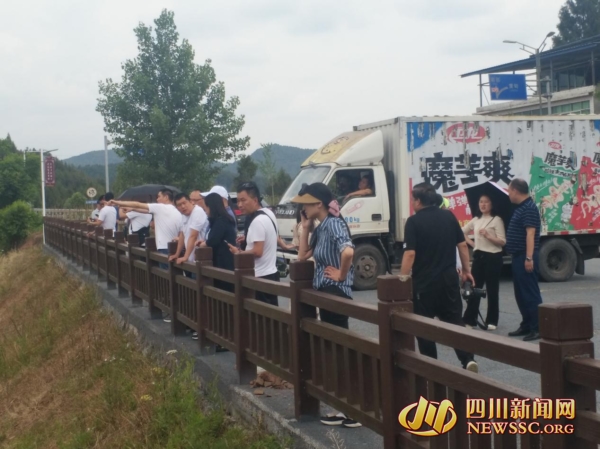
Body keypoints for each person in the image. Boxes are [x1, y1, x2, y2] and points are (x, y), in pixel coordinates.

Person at [292, 183, 360, 429]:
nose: (303, 208)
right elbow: (302, 256)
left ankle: (354, 409)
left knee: (339, 350)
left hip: (334, 292)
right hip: (326, 293)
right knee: (334, 349)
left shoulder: (334, 224)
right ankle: (345, 408)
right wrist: (306, 228)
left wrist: (341, 275)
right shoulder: (322, 226)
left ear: (318, 203)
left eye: (306, 204)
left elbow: (348, 252)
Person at [399, 182, 478, 373]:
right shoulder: (448, 216)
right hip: (449, 281)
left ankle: (431, 366)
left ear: (418, 201)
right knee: (455, 321)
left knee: (424, 326)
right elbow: (462, 245)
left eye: (413, 200)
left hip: (424, 284)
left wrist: (401, 279)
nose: (412, 203)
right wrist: (466, 270)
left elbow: (410, 254)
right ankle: (467, 359)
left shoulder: (413, 222)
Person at [228, 182, 279, 306]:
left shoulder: (257, 221)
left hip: (259, 276)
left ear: (255, 200)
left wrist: (238, 252)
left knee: (260, 314)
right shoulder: (269, 213)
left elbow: (257, 251)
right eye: (238, 201)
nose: (239, 205)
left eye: (243, 200)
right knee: (271, 313)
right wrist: (248, 239)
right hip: (271, 273)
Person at [505, 178, 543, 342]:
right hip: (517, 256)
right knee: (520, 293)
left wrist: (529, 257)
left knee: (529, 293)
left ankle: (537, 327)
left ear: (515, 190)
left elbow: (530, 234)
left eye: (509, 191)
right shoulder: (520, 207)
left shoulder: (529, 208)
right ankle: (527, 324)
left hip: (524, 256)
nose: (508, 194)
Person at [462, 194, 506, 330]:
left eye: (486, 202)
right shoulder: (476, 219)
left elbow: (502, 241)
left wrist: (488, 235)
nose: (483, 204)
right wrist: (472, 244)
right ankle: (470, 319)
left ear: (492, 204)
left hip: (493, 257)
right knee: (474, 288)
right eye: (481, 202)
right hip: (479, 256)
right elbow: (461, 232)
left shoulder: (497, 220)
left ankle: (492, 320)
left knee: (492, 289)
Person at [109, 188, 182, 265]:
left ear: (166, 197)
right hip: (175, 247)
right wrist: (133, 209)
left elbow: (137, 204)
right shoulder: (176, 210)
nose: (157, 199)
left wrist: (118, 202)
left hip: (164, 247)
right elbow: (145, 210)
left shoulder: (161, 207)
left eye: (159, 196)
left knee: (165, 270)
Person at [171, 193, 209, 271]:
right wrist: (177, 254)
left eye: (184, 203)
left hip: (200, 259)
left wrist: (185, 257)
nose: (183, 206)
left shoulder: (197, 211)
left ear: (191, 201)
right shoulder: (183, 216)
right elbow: (182, 235)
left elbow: (193, 236)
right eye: (179, 205)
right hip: (190, 259)